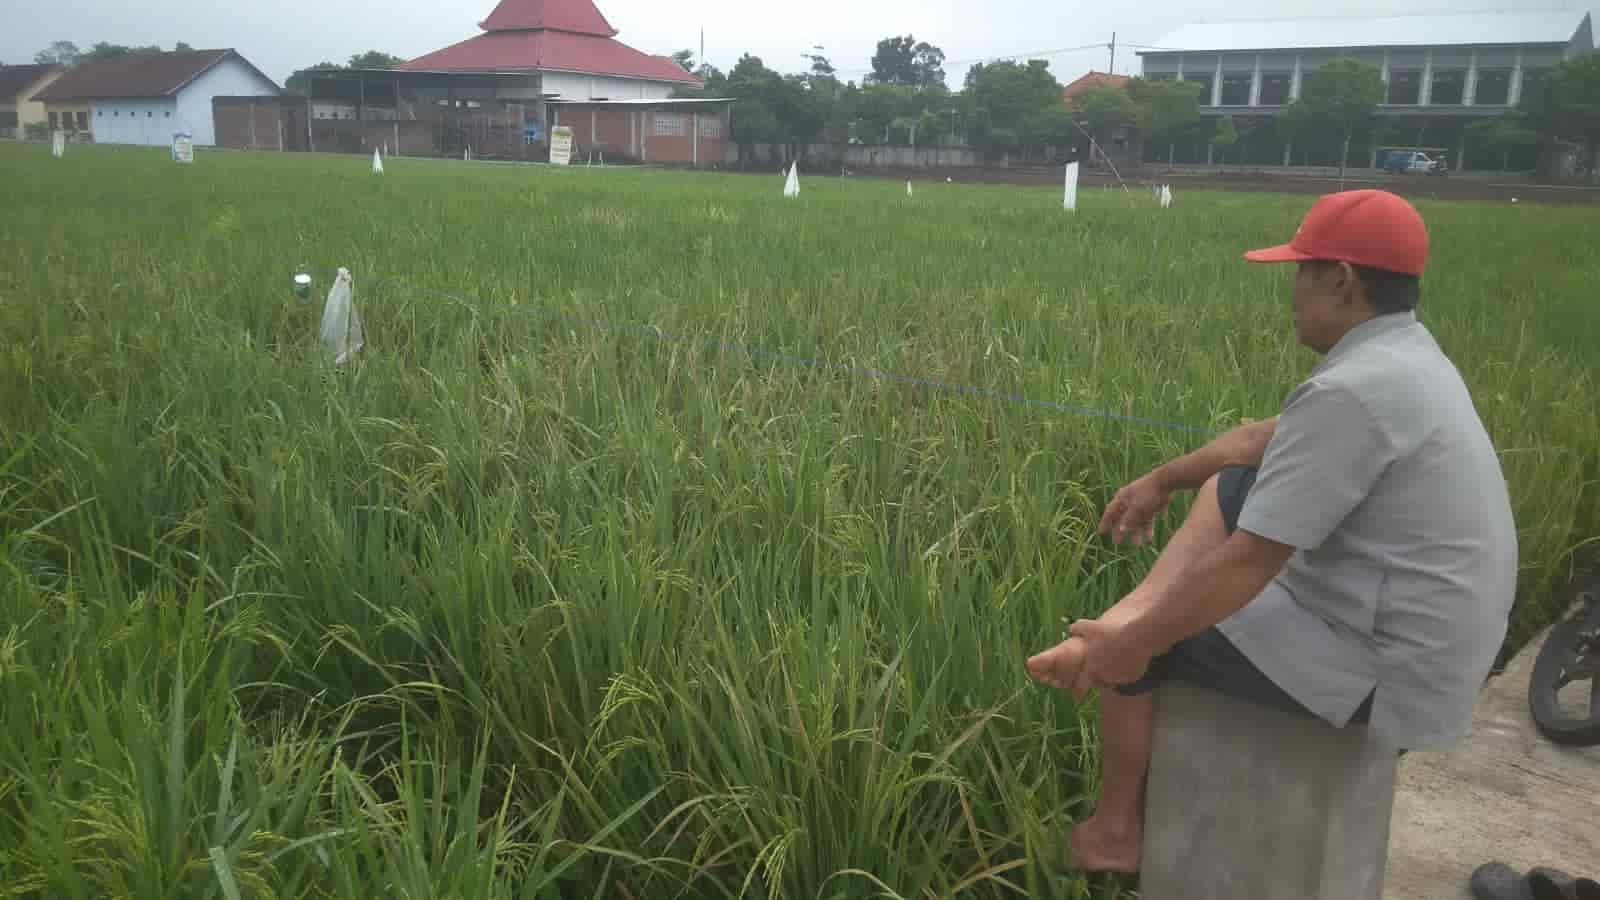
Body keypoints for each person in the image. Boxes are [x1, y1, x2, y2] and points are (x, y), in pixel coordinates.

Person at [1026, 189, 1518, 874]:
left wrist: (1132, 646)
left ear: (1340, 279)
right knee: (1231, 487)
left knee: (1156, 648)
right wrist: (1163, 479)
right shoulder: (1403, 357)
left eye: (1300, 271)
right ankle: (1116, 623)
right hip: (1408, 613)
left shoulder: (1355, 391)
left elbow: (1248, 563)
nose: (1292, 292)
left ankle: (1114, 833)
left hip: (1388, 658)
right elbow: (1258, 444)